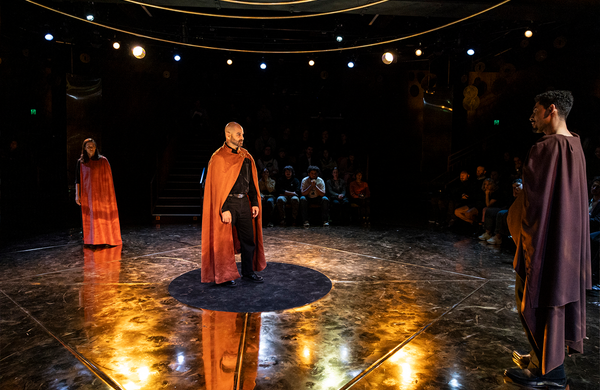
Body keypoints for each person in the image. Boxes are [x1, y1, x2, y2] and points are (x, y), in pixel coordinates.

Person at [505, 91, 591, 388]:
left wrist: (521, 197)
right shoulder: (575, 145)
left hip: (544, 241)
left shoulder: (546, 147)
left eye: (536, 110)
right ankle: (541, 358)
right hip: (567, 242)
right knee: (552, 300)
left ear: (550, 110)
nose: (532, 116)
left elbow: (536, 202)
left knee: (532, 296)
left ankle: (549, 373)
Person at [201, 122, 266, 287]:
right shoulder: (218, 158)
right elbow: (216, 188)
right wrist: (223, 209)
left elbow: (251, 181)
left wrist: (254, 202)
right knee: (225, 242)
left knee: (248, 239)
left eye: (242, 135)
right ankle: (224, 275)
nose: (242, 138)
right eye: (238, 135)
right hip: (228, 203)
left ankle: (248, 272)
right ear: (228, 135)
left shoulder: (246, 156)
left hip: (244, 201)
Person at [75, 138, 122, 246]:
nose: (91, 148)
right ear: (84, 148)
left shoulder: (103, 161)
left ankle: (105, 239)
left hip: (101, 195)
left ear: (96, 147)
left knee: (102, 217)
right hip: (88, 195)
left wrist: (107, 196)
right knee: (90, 217)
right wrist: (77, 195)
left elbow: (108, 180)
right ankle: (92, 240)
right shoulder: (81, 162)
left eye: (92, 146)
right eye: (88, 146)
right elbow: (77, 180)